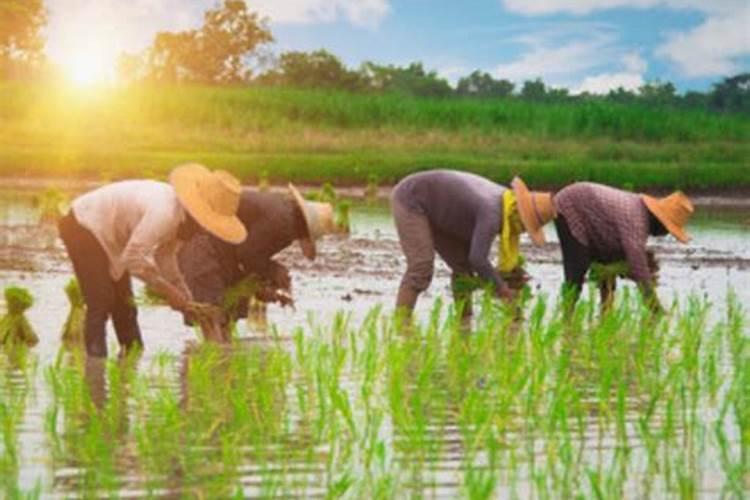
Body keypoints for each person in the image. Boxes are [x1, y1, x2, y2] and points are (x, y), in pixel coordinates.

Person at [58, 164, 247, 357]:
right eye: (207, 223)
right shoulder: (164, 212)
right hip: (83, 224)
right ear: (197, 212)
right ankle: (96, 372)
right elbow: (133, 259)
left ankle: (131, 360)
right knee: (102, 300)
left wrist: (184, 294)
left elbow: (165, 257)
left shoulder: (185, 223)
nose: (206, 230)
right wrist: (168, 291)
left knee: (126, 305)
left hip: (113, 238)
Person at [390, 170, 555, 322]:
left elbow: (474, 261)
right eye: (525, 225)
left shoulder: (505, 202)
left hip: (442, 209)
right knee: (420, 268)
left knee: (463, 268)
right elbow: (478, 259)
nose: (523, 232)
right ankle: (401, 325)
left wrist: (504, 280)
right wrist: (503, 291)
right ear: (518, 214)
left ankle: (464, 322)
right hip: (412, 199)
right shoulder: (492, 213)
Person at [178, 183, 342, 334]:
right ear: (305, 229)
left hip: (221, 253)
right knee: (213, 321)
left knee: (224, 321)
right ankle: (217, 361)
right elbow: (249, 255)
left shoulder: (283, 215)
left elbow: (249, 257)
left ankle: (223, 362)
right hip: (205, 250)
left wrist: (267, 288)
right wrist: (275, 271)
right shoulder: (283, 223)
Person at [553, 182, 694, 312]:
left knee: (607, 263)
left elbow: (610, 261)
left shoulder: (638, 213)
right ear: (659, 221)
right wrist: (653, 305)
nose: (664, 235)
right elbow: (638, 265)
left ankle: (605, 311)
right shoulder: (637, 221)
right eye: (667, 229)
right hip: (570, 205)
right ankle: (566, 316)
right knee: (577, 267)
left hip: (591, 215)